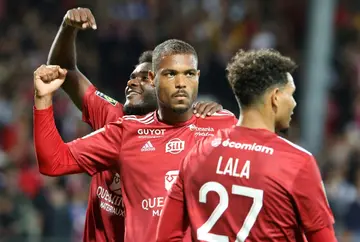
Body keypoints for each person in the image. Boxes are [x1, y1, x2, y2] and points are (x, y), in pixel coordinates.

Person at [41, 8, 223, 242]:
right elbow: (63, 71)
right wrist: (68, 27)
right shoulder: (112, 116)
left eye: (143, 78)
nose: (132, 82)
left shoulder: (194, 132)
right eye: (132, 76)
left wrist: (213, 113)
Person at [156, 49, 337, 242]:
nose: (293, 103)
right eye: (290, 94)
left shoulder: (197, 153)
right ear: (275, 97)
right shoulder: (298, 162)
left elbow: (165, 237)